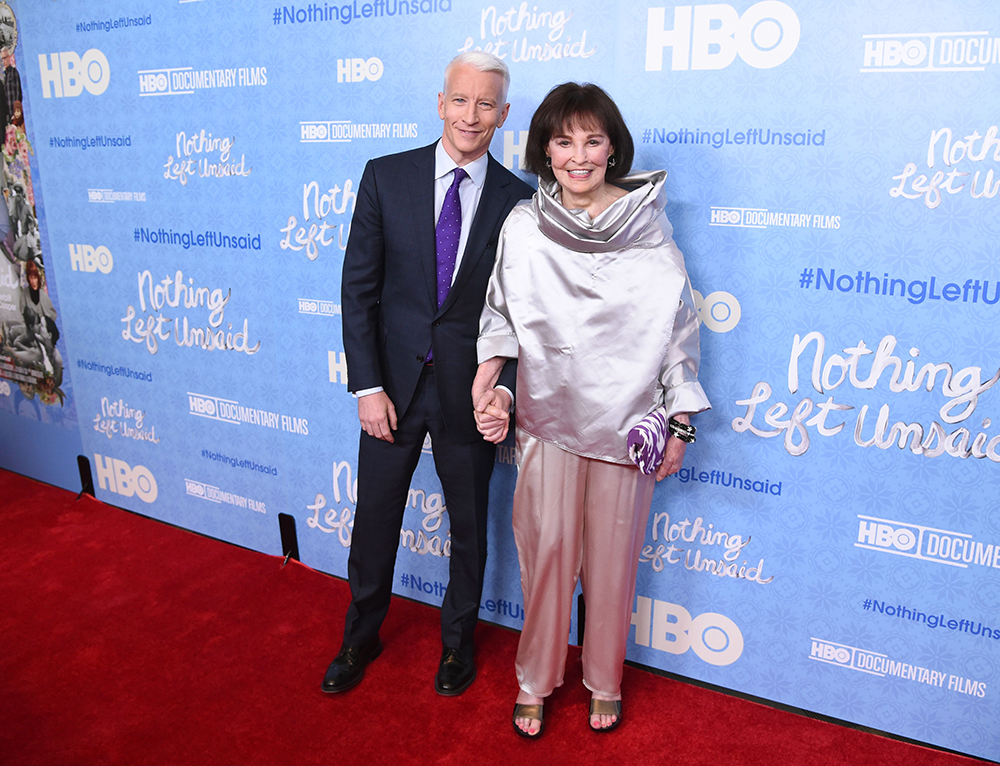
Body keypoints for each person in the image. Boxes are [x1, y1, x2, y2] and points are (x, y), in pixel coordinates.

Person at [472, 82, 711, 737]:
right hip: (547, 424)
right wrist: (490, 383)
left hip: (630, 428)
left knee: (611, 563)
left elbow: (678, 329)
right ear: (545, 151)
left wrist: (681, 422)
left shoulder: (648, 227)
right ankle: (535, 680)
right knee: (546, 557)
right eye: (563, 140)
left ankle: (604, 680)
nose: (579, 155)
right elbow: (500, 313)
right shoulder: (524, 226)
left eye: (593, 140)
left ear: (613, 148)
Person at [326, 51, 534, 697]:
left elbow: (526, 314)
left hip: (468, 398)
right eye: (460, 100)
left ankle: (457, 646)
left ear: (504, 113)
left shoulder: (520, 202)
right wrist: (366, 386)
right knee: (375, 523)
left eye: (486, 104)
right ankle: (360, 636)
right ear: (440, 102)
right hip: (389, 391)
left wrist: (500, 390)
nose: (471, 115)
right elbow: (358, 290)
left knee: (470, 530)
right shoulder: (385, 177)